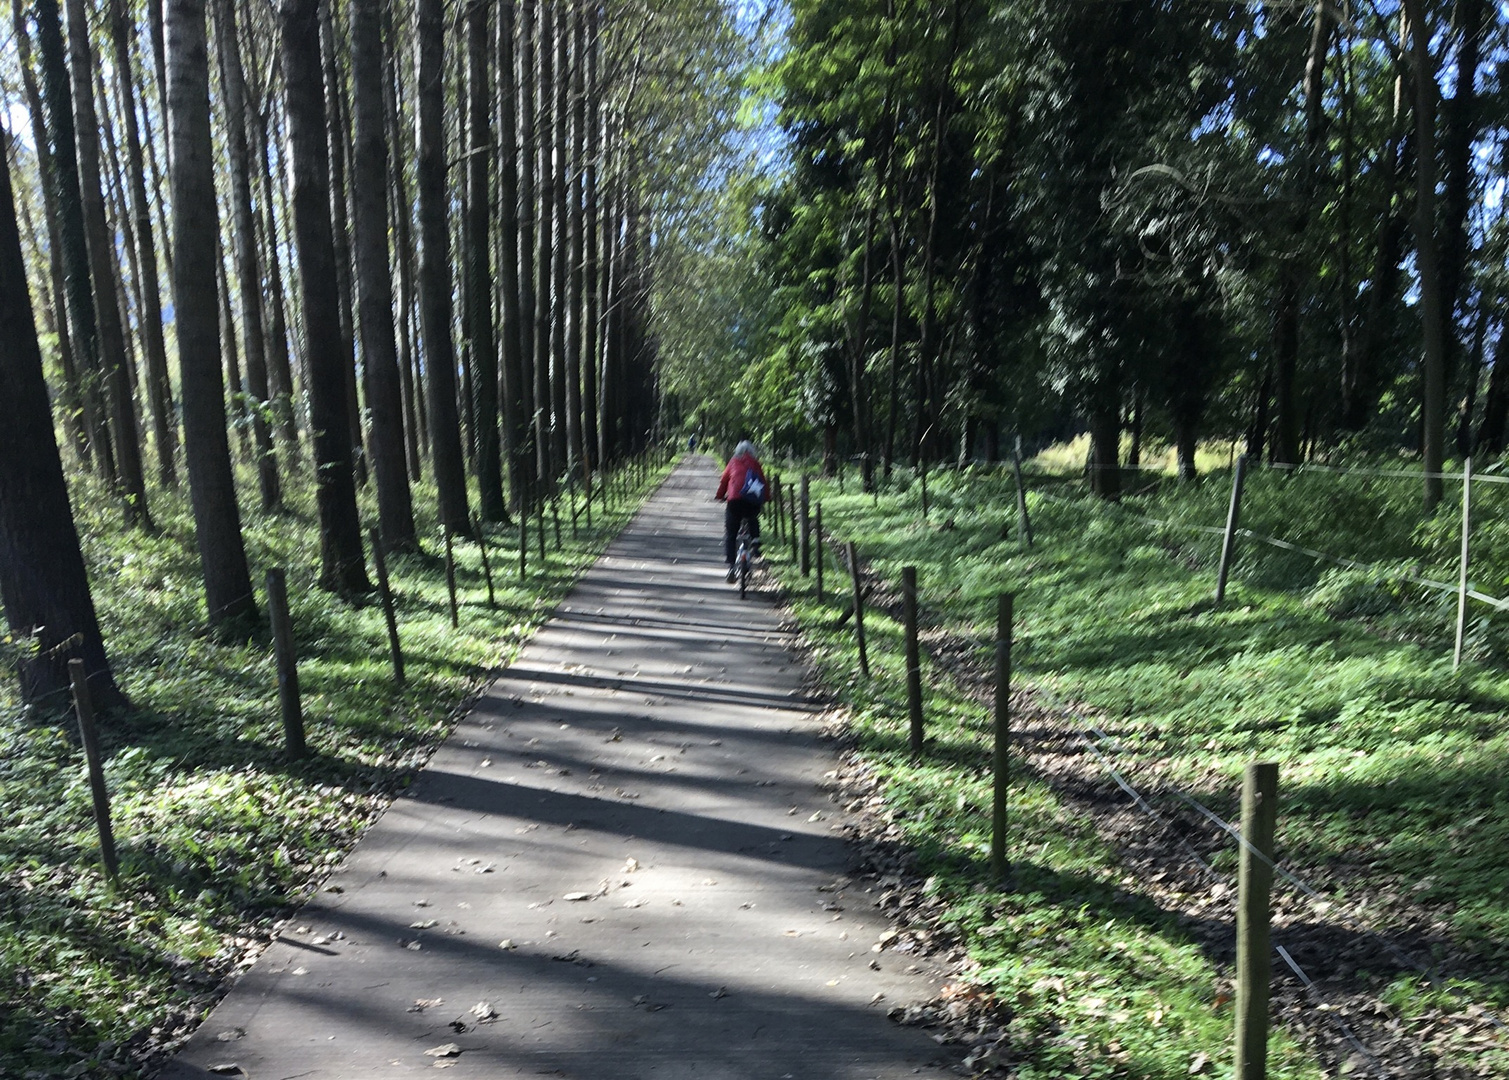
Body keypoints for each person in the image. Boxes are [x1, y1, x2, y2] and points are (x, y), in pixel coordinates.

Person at [714, 441, 767, 582]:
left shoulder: (732, 462)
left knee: (731, 533)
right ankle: (755, 542)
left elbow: (724, 481)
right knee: (752, 516)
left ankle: (731, 566)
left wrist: (720, 496)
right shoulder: (756, 463)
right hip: (751, 501)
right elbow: (763, 482)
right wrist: (767, 498)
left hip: (734, 501)